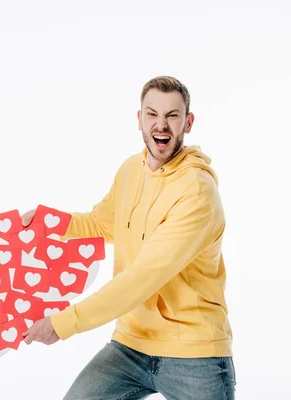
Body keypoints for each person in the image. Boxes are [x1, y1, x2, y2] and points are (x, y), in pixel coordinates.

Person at [22, 76, 236, 399]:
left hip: (195, 352)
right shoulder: (130, 170)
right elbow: (102, 223)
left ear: (188, 123)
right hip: (131, 345)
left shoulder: (197, 192)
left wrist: (63, 323)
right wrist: (49, 222)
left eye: (172, 116)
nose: (160, 126)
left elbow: (141, 279)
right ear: (139, 119)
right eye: (152, 114)